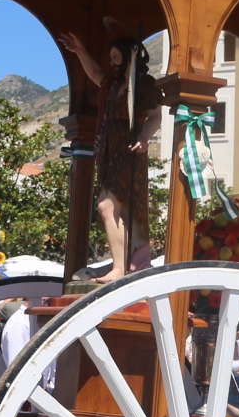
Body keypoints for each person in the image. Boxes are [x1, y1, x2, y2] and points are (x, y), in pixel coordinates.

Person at [54, 28, 163, 281]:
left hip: (129, 148)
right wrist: (80, 49)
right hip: (108, 151)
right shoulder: (113, 85)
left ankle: (119, 268)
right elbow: (94, 73)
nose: (113, 60)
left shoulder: (143, 84)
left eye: (116, 55)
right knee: (109, 209)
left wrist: (144, 138)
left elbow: (155, 114)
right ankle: (122, 264)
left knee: (106, 206)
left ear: (129, 55)